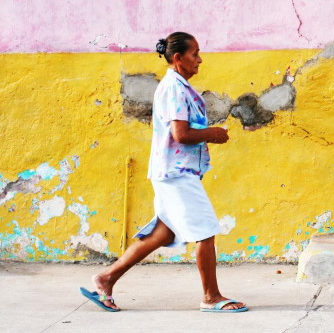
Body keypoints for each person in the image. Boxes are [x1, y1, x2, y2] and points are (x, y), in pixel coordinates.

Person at [80, 32, 247, 313]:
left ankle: (106, 279)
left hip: (172, 172)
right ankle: (212, 297)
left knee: (161, 234)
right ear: (178, 58)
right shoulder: (173, 88)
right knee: (206, 230)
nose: (200, 59)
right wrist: (213, 134)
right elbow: (180, 134)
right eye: (195, 54)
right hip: (176, 175)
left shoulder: (177, 85)